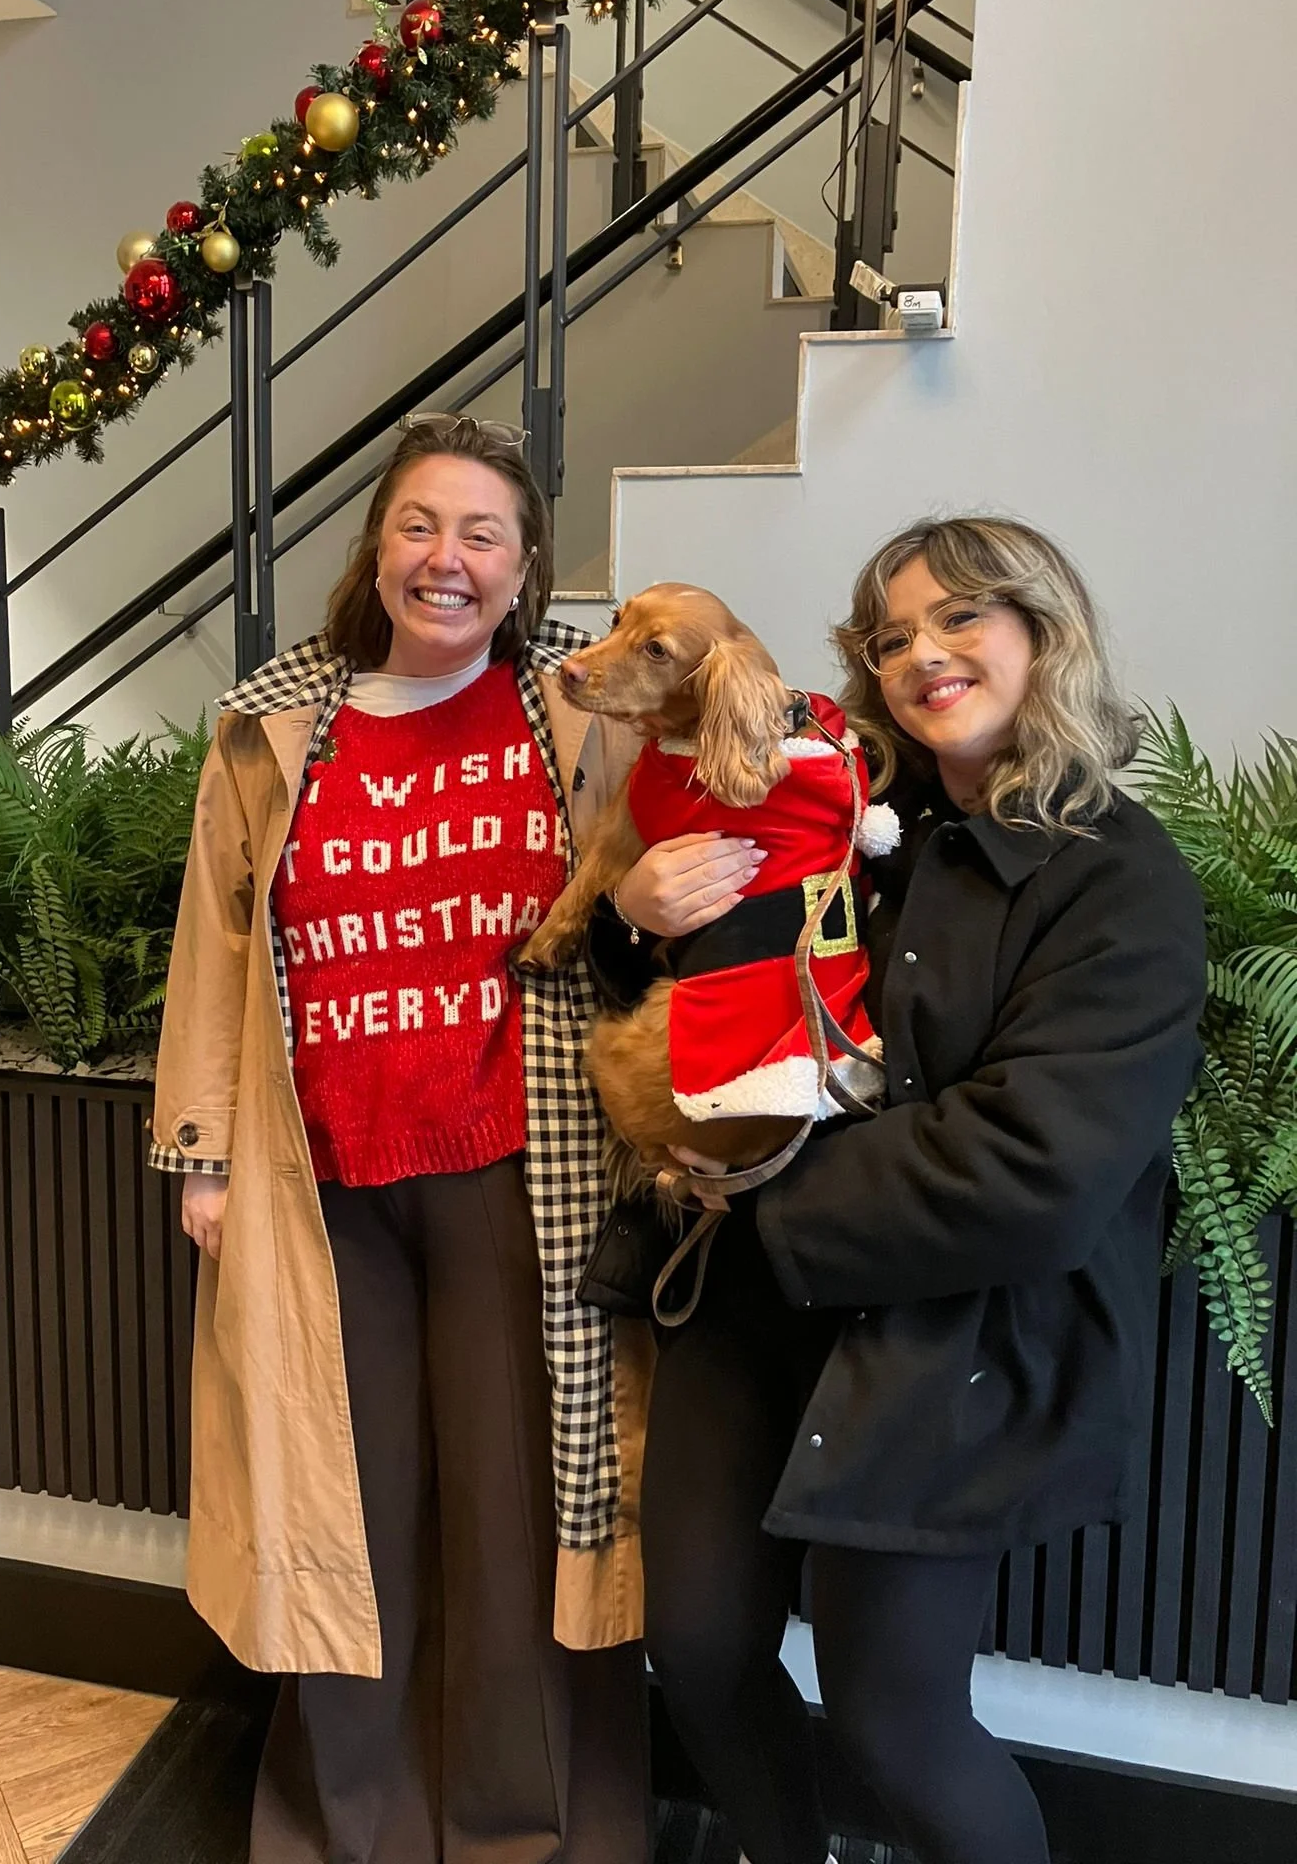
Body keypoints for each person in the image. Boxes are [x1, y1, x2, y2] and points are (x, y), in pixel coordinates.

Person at [604, 517, 1206, 1864]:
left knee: (895, 1722)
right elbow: (690, 986)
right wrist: (627, 916)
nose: (921, 655)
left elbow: (1039, 1166)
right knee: (696, 1650)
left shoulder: (1119, 877)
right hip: (750, 1307)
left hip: (947, 1338)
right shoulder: (841, 806)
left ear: (1043, 632)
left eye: (958, 621)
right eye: (890, 637)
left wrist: (759, 1194)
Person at [149, 415, 653, 1864]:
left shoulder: (577, 715)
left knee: (521, 1522)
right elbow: (221, 942)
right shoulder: (274, 724)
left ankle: (528, 1834)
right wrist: (206, 1146)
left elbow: (666, 892)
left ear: (524, 565)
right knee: (340, 1522)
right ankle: (344, 1834)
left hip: (524, 1172)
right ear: (379, 545)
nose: (448, 559)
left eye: (482, 533)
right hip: (326, 1187)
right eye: (422, 525)